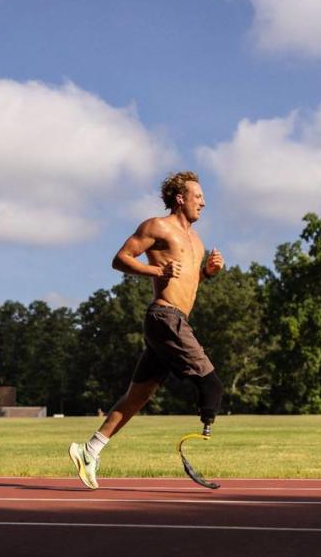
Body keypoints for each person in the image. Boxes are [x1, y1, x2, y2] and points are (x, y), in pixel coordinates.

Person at [68, 171, 225, 490]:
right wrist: (157, 269)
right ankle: (206, 431)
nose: (204, 202)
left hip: (177, 319)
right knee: (211, 386)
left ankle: (89, 450)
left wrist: (207, 274)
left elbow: (187, 283)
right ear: (181, 198)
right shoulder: (157, 226)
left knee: (136, 397)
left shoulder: (197, 241)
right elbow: (120, 259)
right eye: (198, 197)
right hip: (164, 317)